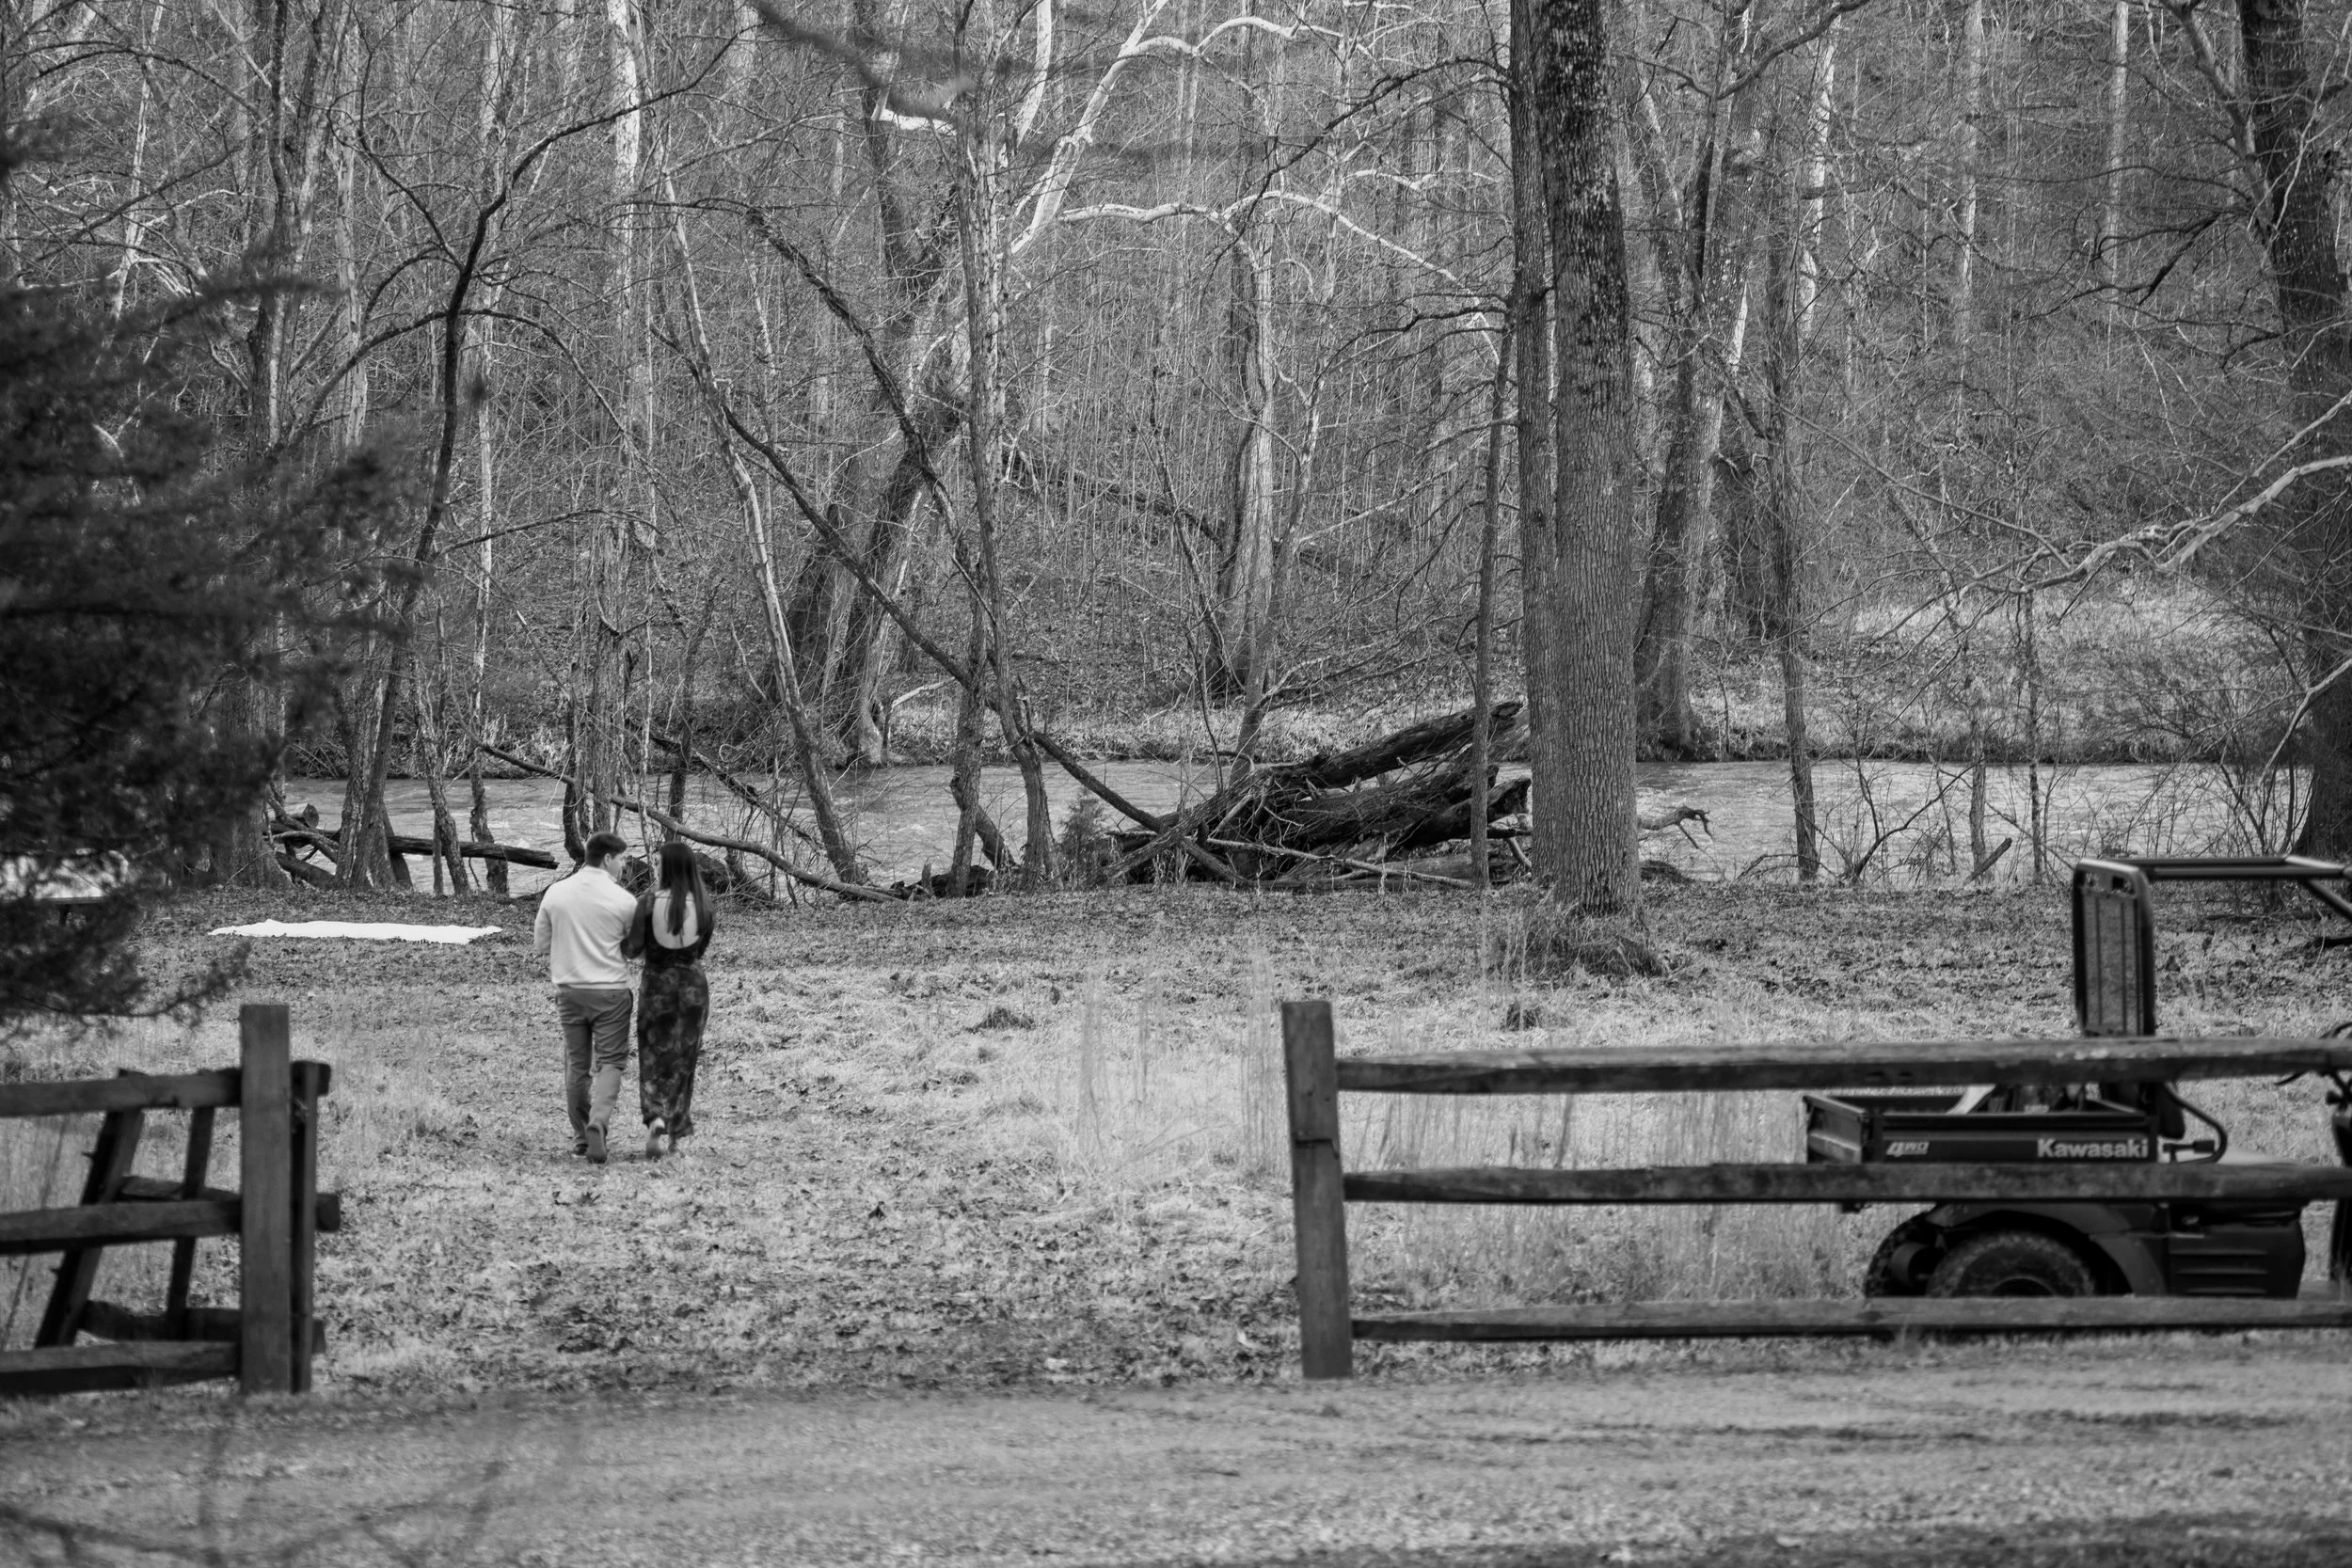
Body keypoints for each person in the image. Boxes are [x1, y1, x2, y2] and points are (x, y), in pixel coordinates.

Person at [533, 831, 639, 1164]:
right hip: (610, 990)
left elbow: (541, 944)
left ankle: (581, 1137)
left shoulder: (556, 893)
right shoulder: (624, 900)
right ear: (607, 859)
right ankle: (598, 1121)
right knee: (610, 1062)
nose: (624, 866)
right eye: (622, 859)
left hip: (570, 991)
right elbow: (634, 949)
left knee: (576, 1065)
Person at [624, 842, 715, 1160]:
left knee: (652, 1057)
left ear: (664, 867)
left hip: (657, 988)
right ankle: (676, 1130)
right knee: (684, 1060)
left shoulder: (647, 903)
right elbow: (700, 950)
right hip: (693, 988)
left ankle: (656, 1117)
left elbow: (632, 948)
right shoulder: (704, 906)